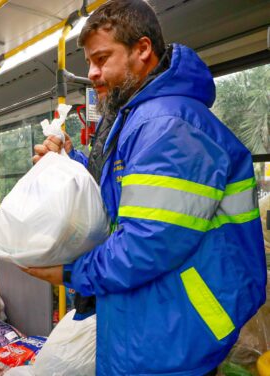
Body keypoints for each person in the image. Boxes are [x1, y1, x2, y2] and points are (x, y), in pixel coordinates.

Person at [24, 0, 267, 374]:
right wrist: (67, 166)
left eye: (102, 58)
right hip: (153, 315)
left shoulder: (168, 125)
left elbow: (147, 242)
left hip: (175, 327)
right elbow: (126, 198)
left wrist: (70, 272)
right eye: (90, 61)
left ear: (142, 50)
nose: (92, 72)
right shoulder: (141, 118)